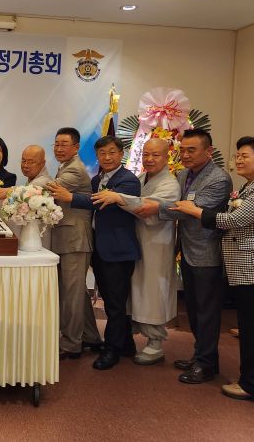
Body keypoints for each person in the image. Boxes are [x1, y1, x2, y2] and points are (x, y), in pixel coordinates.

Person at [171, 136, 254, 402]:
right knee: (250, 328)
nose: (238, 160)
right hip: (247, 270)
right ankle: (251, 381)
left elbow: (234, 220)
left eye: (245, 156)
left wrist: (195, 211)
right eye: (238, 155)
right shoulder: (251, 187)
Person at [135, 128, 231, 384]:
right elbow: (183, 205)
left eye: (192, 150)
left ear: (208, 151)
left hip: (206, 252)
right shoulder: (184, 174)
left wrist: (156, 206)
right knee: (195, 310)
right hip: (186, 250)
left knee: (207, 312)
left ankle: (205, 364)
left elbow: (193, 210)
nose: (185, 155)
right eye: (183, 150)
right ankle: (202, 357)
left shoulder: (219, 178)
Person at [47, 135, 141, 370]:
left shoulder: (128, 180)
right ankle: (125, 343)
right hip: (100, 247)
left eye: (112, 152)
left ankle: (112, 350)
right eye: (102, 153)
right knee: (110, 299)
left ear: (121, 154)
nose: (107, 157)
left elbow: (102, 201)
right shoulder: (98, 178)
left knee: (115, 303)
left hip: (118, 249)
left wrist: (71, 197)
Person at [91, 138, 181, 365]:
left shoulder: (170, 184)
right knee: (128, 294)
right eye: (146, 154)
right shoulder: (141, 178)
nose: (149, 159)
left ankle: (155, 342)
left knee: (152, 292)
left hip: (156, 244)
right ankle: (125, 340)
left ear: (167, 156)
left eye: (155, 155)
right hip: (133, 243)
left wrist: (118, 197)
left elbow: (145, 208)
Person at [47, 128, 102, 360]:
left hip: (75, 239)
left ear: (76, 147)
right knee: (76, 292)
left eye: (64, 144)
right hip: (67, 238)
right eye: (57, 144)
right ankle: (90, 336)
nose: (59, 148)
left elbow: (46, 190)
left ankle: (71, 344)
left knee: (71, 293)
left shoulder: (75, 170)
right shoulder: (65, 166)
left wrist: (12, 192)